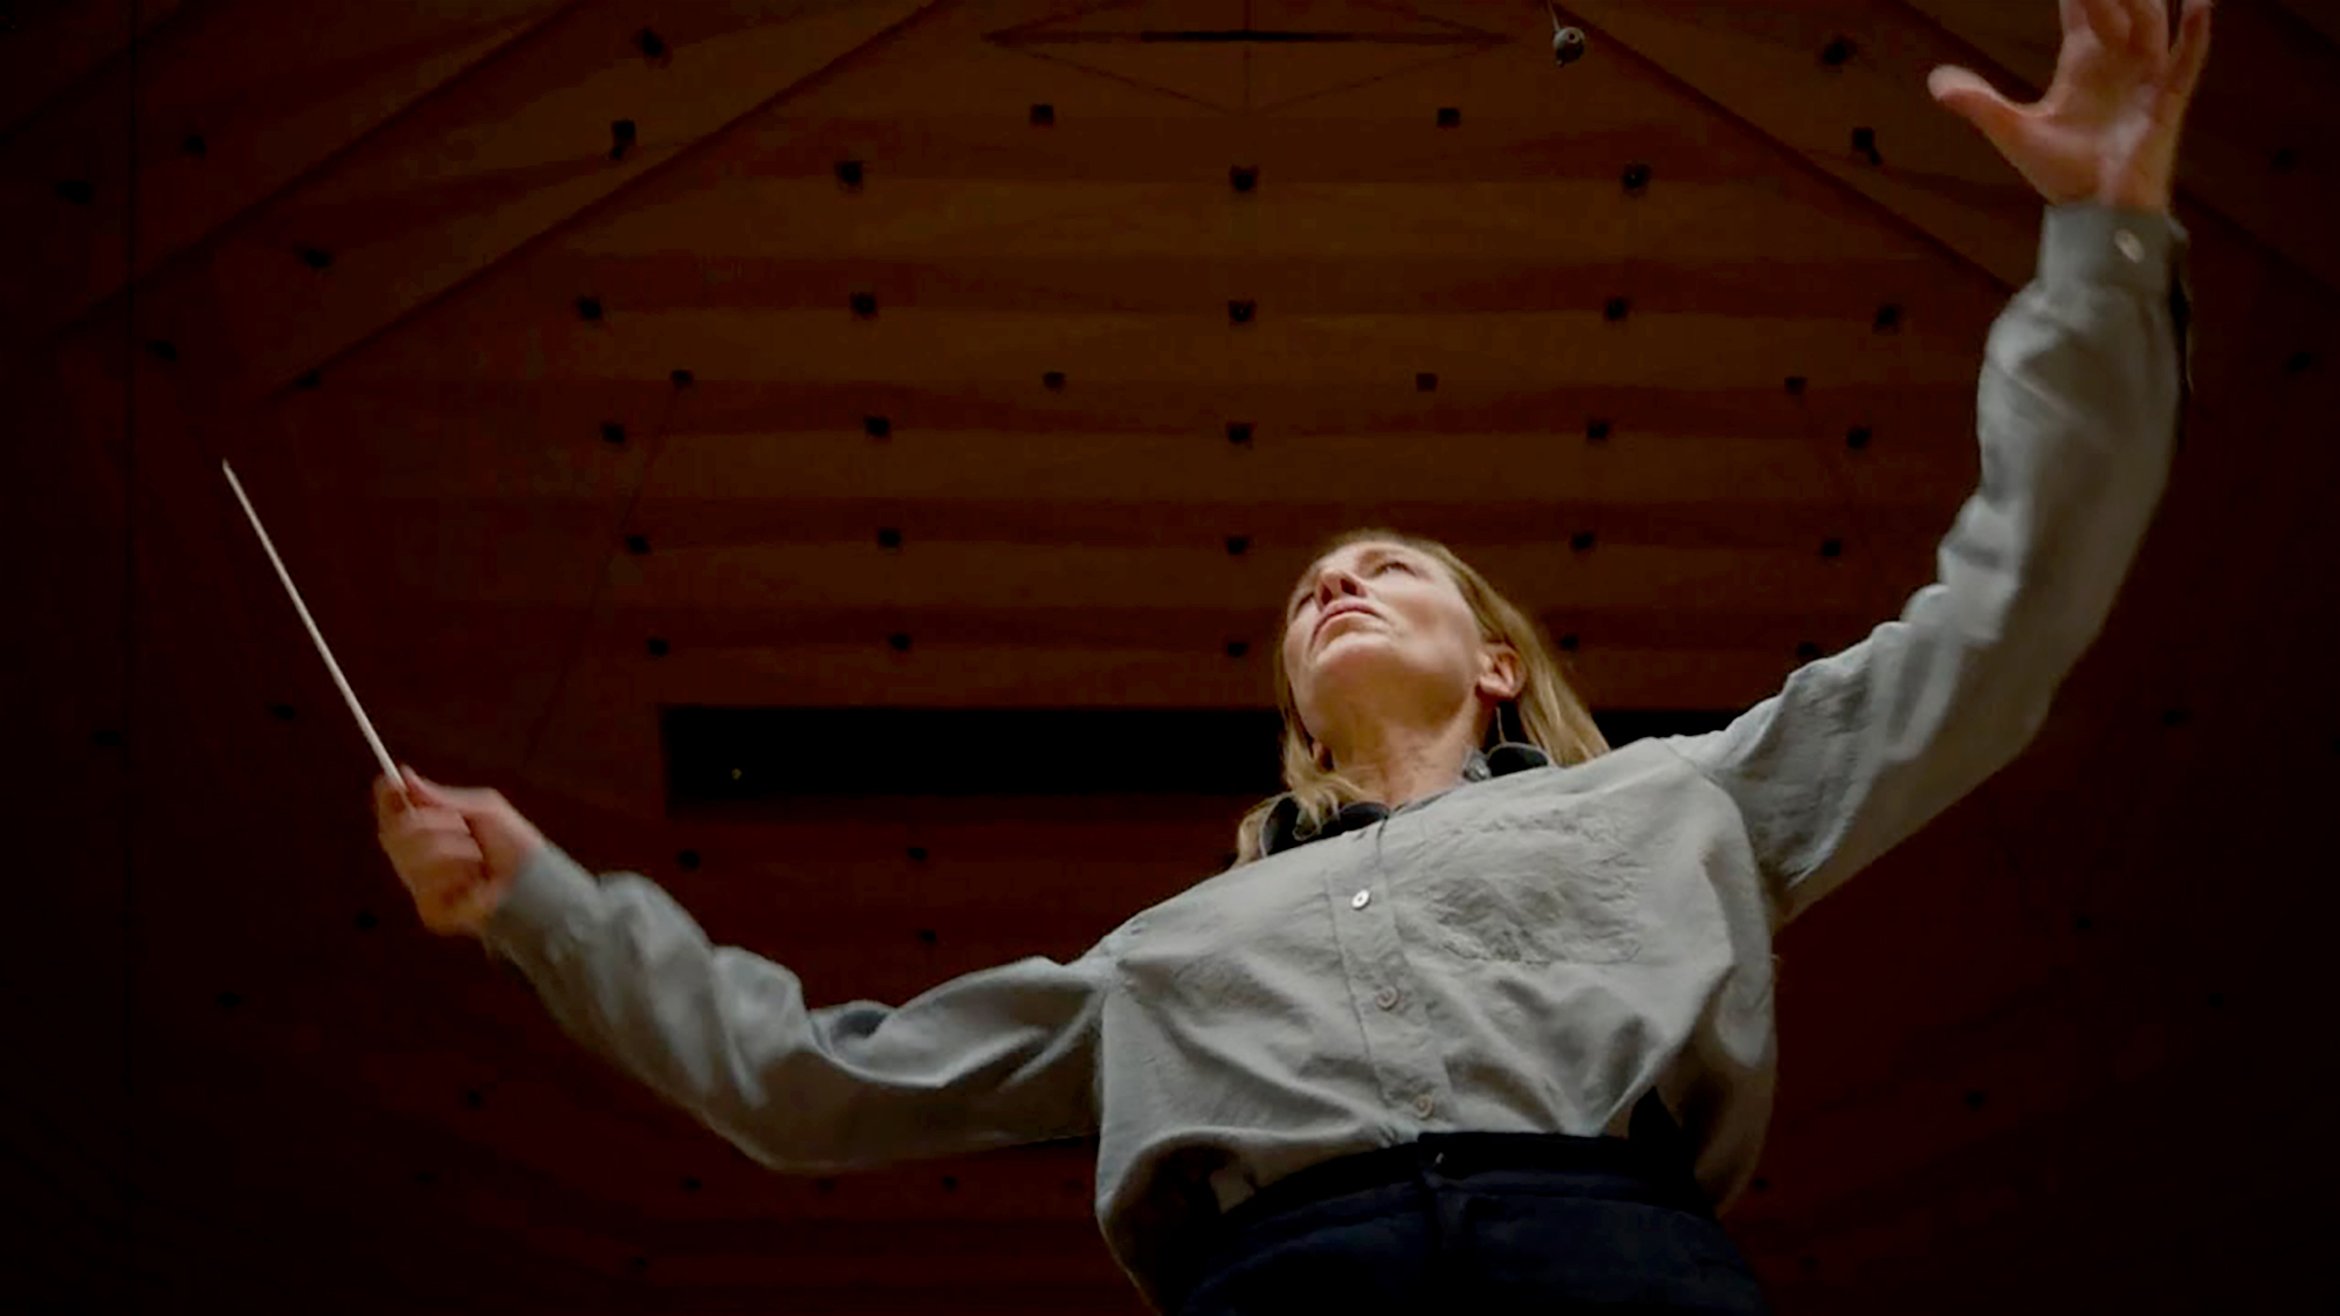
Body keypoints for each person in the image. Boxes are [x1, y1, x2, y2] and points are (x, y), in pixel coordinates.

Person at [375, 3, 2210, 1310]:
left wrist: (2101, 237)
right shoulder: (1163, 958)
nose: (1334, 578)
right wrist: (548, 903)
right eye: (1310, 584)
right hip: (1280, 1279)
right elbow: (810, 1084)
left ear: (1498, 663)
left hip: (1616, 1256)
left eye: (1388, 564)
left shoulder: (1684, 803)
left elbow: (2009, 611)